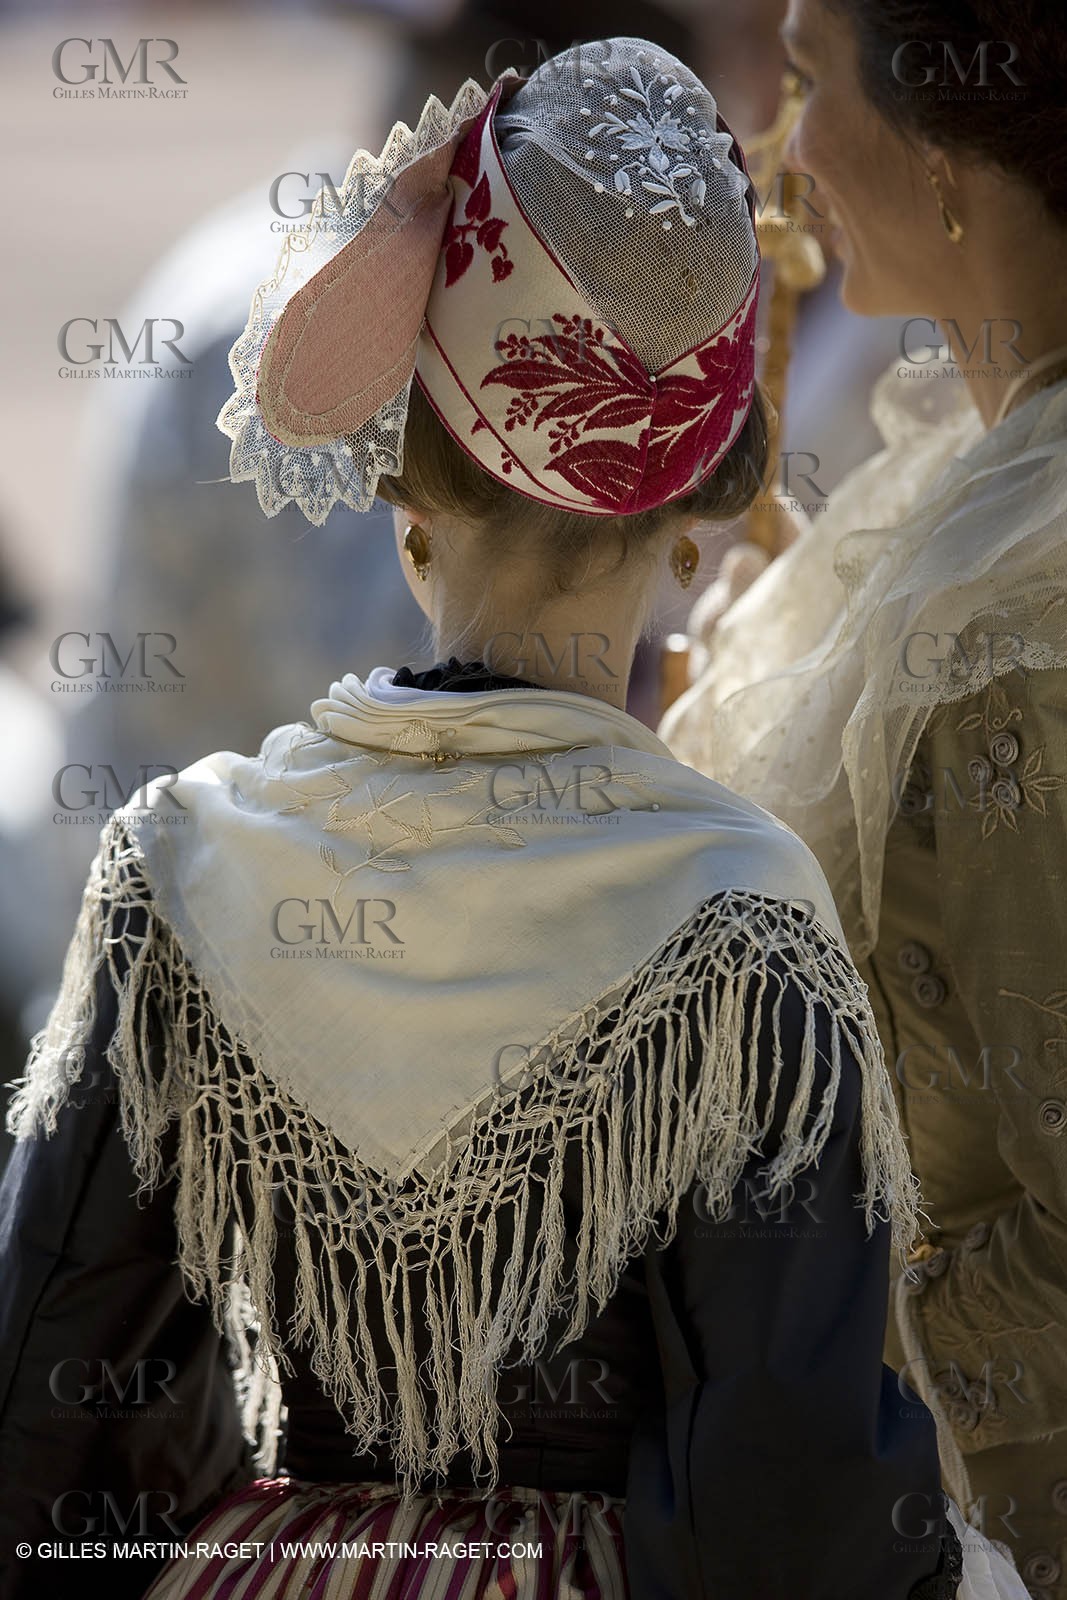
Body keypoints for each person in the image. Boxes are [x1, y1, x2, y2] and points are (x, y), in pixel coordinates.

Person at [2, 37, 1023, 1600]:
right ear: (699, 516)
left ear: (400, 491)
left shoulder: (184, 861)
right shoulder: (736, 915)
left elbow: (48, 1393)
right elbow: (792, 1488)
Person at [660, 0, 1067, 1592]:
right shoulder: (938, 486)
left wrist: (766, 1365)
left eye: (814, 85)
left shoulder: (1017, 608)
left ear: (946, 149)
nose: (780, 155)